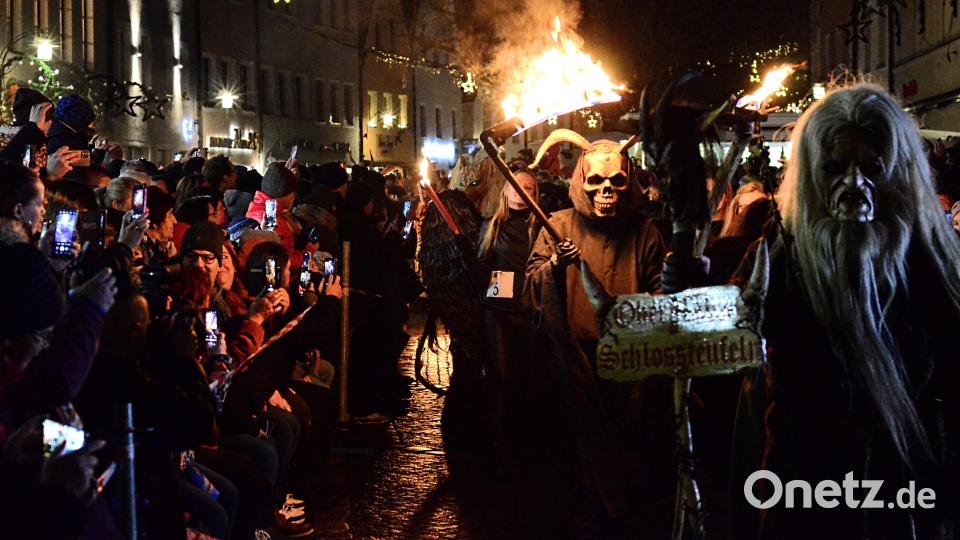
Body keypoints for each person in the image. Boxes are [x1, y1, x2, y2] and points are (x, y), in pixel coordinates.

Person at [724, 84, 960, 539]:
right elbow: (728, 336)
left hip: (907, 484)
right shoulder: (780, 256)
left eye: (872, 169)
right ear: (816, 175)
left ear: (894, 175)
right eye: (835, 168)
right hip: (808, 479)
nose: (854, 186)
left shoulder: (931, 258)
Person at [525, 129, 668, 536]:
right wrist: (554, 263)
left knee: (629, 434)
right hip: (576, 359)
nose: (607, 191)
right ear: (581, 183)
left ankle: (623, 510)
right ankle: (584, 511)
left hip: (628, 359)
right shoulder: (557, 225)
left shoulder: (643, 232)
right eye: (597, 182)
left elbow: (659, 287)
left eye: (616, 182)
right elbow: (532, 281)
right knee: (579, 441)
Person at [477, 161, 540, 463]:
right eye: (515, 187)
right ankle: (499, 446)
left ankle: (526, 442)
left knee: (527, 378)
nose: (520, 193)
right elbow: (481, 269)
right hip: (498, 310)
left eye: (527, 188)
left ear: (534, 194)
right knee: (500, 377)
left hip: (528, 310)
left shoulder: (541, 226)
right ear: (505, 190)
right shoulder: (492, 226)